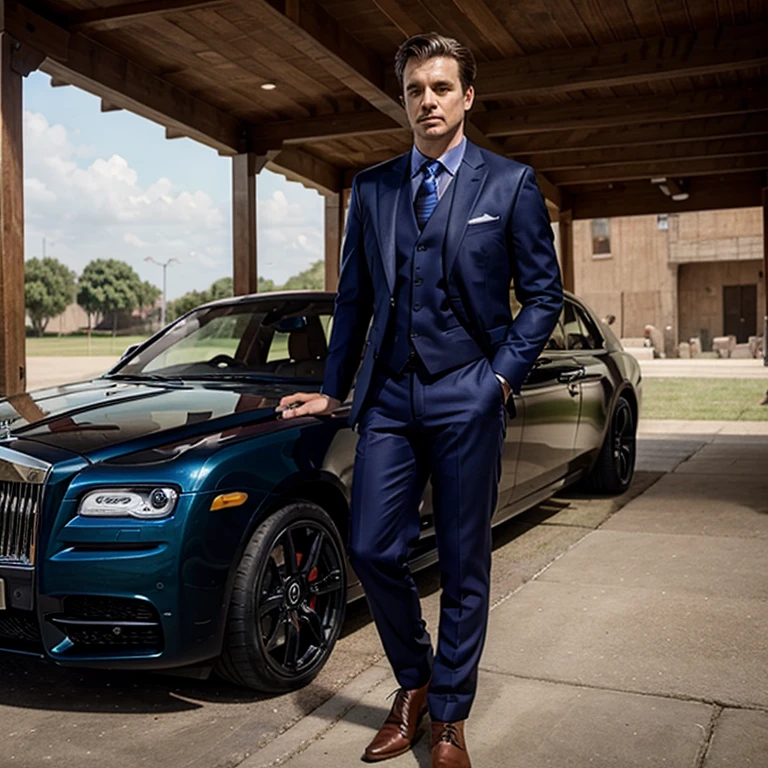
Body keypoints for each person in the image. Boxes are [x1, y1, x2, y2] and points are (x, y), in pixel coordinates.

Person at [278, 32, 563, 768]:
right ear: (403, 99)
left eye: (440, 88)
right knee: (373, 548)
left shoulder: (510, 184)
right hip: (390, 399)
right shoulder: (371, 189)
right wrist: (333, 391)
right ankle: (415, 681)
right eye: (414, 90)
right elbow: (355, 298)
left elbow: (542, 296)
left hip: (469, 391)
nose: (426, 101)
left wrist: (498, 379)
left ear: (467, 97)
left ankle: (449, 718)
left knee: (466, 561)